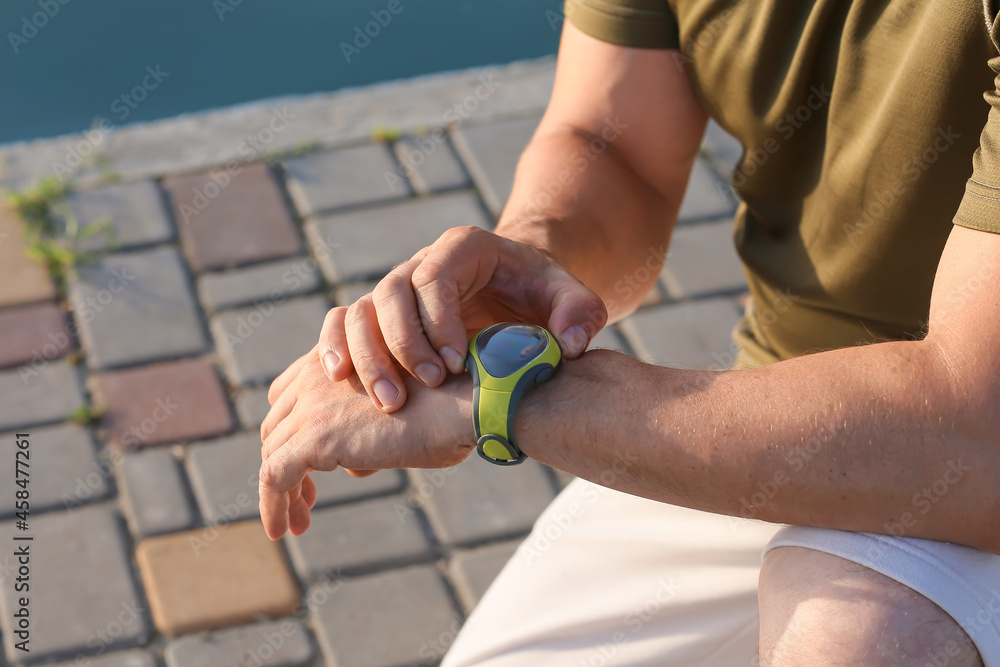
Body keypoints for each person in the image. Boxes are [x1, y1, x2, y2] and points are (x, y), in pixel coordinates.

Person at [259, 1, 1000, 664]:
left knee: (863, 645)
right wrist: (530, 263)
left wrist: (504, 395)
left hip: (956, 453)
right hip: (772, 411)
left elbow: (975, 436)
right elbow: (615, 147)